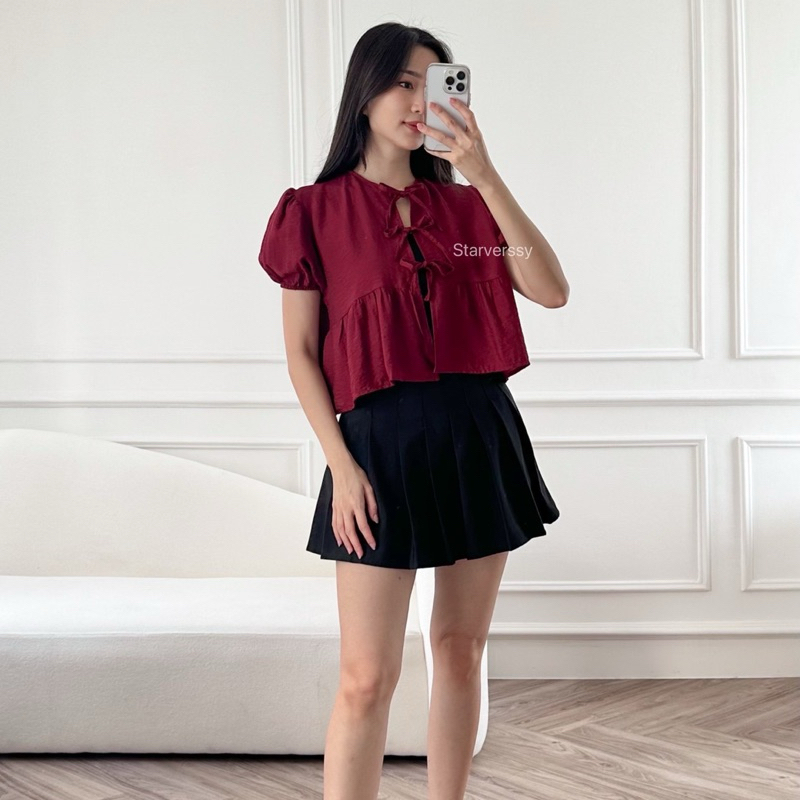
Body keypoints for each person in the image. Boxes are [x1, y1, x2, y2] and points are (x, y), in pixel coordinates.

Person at [257, 21, 569, 800]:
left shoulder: (467, 215)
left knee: (459, 651)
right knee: (366, 675)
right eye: (402, 83)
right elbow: (301, 353)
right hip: (375, 447)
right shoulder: (313, 213)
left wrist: (483, 174)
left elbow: (550, 289)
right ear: (364, 95)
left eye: (432, 85)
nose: (417, 100)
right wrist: (341, 466)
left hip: (477, 436)